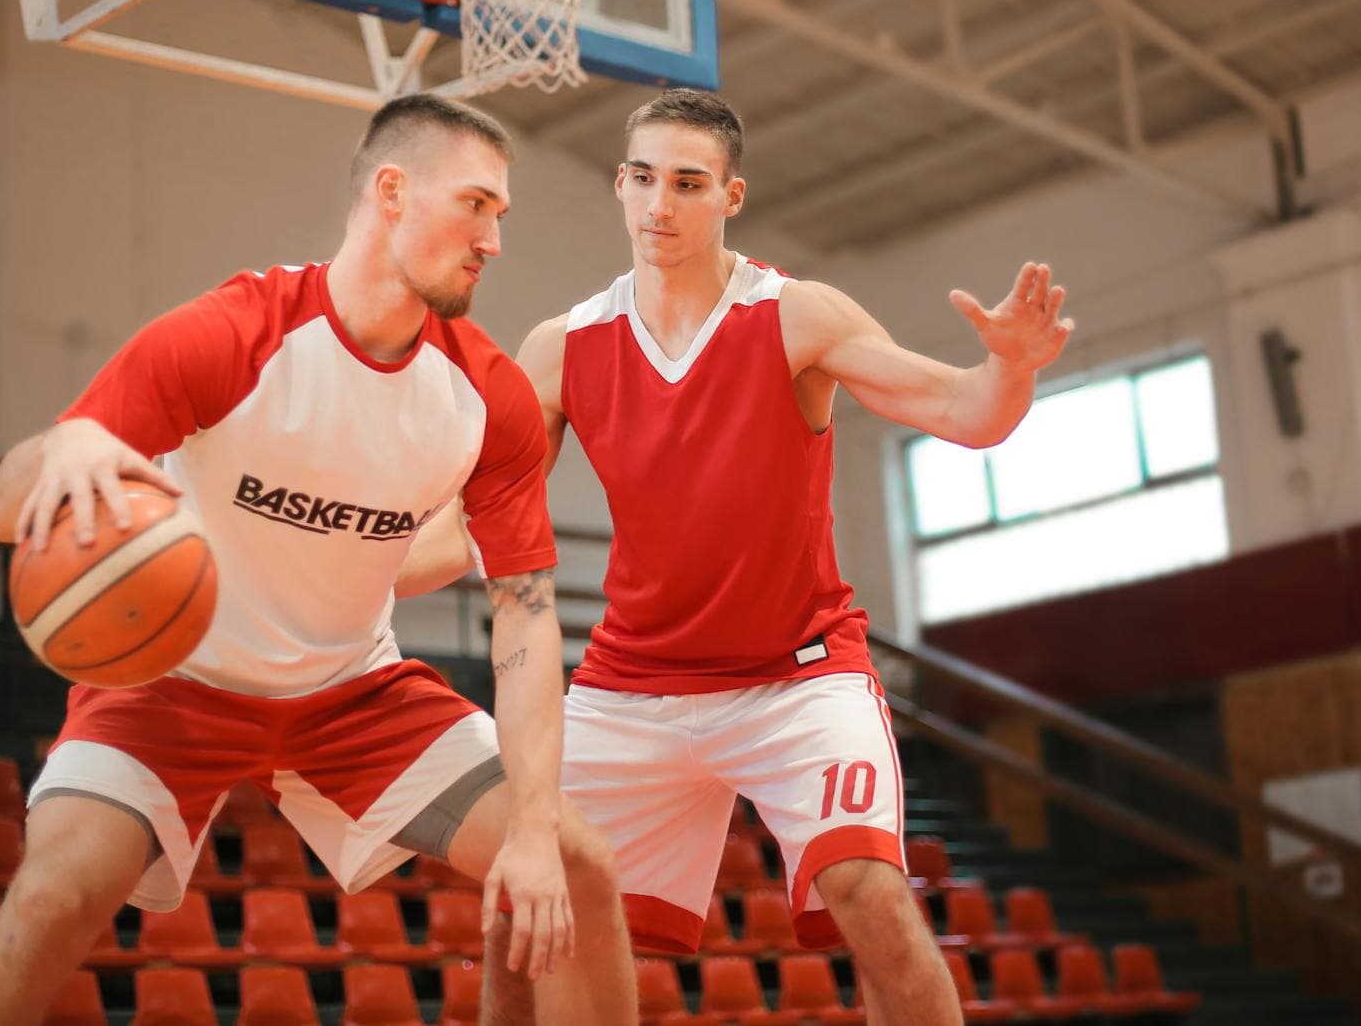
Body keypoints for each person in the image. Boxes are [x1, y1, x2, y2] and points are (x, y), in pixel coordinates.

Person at [0, 95, 636, 1025]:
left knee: (577, 866)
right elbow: (3, 505)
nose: (493, 238)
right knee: (53, 900)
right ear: (392, 192)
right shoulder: (231, 333)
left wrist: (537, 827)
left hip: (353, 693)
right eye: (476, 205)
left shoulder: (485, 399)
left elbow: (528, 610)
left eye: (501, 214)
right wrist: (58, 450)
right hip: (170, 683)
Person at [396, 89, 1074, 1023]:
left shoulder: (798, 317)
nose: (658, 204)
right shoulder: (562, 346)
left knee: (873, 898)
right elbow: (475, 523)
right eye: (641, 178)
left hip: (796, 676)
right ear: (619, 185)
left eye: (687, 182)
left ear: (731, 196)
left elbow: (965, 411)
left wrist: (1012, 368)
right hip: (633, 683)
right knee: (523, 910)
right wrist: (343, 569)